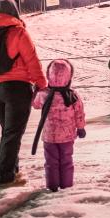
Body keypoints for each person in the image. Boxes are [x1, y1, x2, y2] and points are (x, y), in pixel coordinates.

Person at [0, 0, 47, 188]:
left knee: (9, 133)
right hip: (16, 89)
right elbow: (32, 61)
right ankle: (5, 178)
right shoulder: (18, 32)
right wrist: (42, 85)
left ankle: (12, 172)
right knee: (12, 134)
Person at [31, 59, 86, 192]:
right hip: (67, 136)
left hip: (49, 136)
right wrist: (80, 127)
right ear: (69, 77)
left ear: (49, 75)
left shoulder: (44, 94)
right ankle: (66, 185)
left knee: (51, 162)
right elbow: (79, 113)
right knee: (66, 161)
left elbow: (35, 105)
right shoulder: (73, 95)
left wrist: (35, 91)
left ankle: (52, 186)